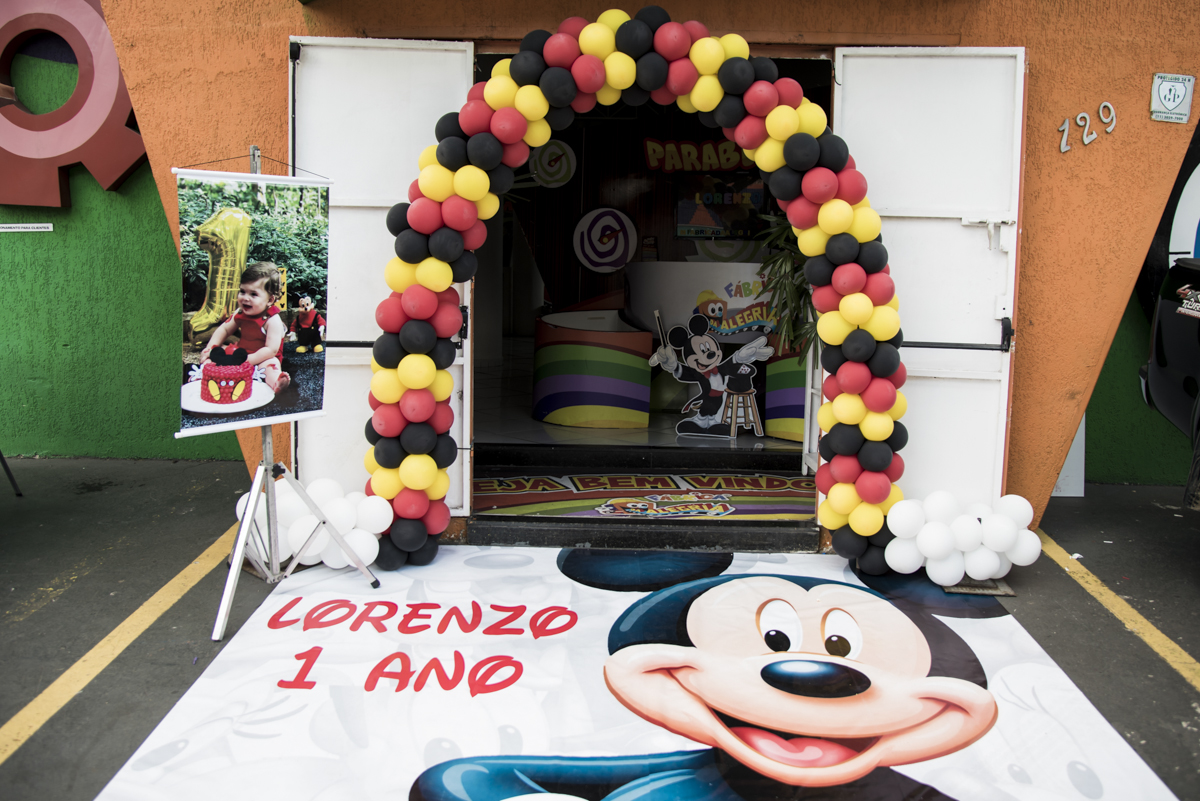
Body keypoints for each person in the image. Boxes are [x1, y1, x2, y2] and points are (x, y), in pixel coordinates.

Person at [200, 262, 291, 393]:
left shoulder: (272, 320)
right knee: (216, 352)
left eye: (253, 294)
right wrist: (211, 347)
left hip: (261, 359)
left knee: (271, 365)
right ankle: (205, 373)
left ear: (270, 300)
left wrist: (247, 361)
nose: (245, 298)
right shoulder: (240, 312)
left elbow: (271, 350)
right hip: (241, 353)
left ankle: (276, 381)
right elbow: (224, 329)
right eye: (242, 291)